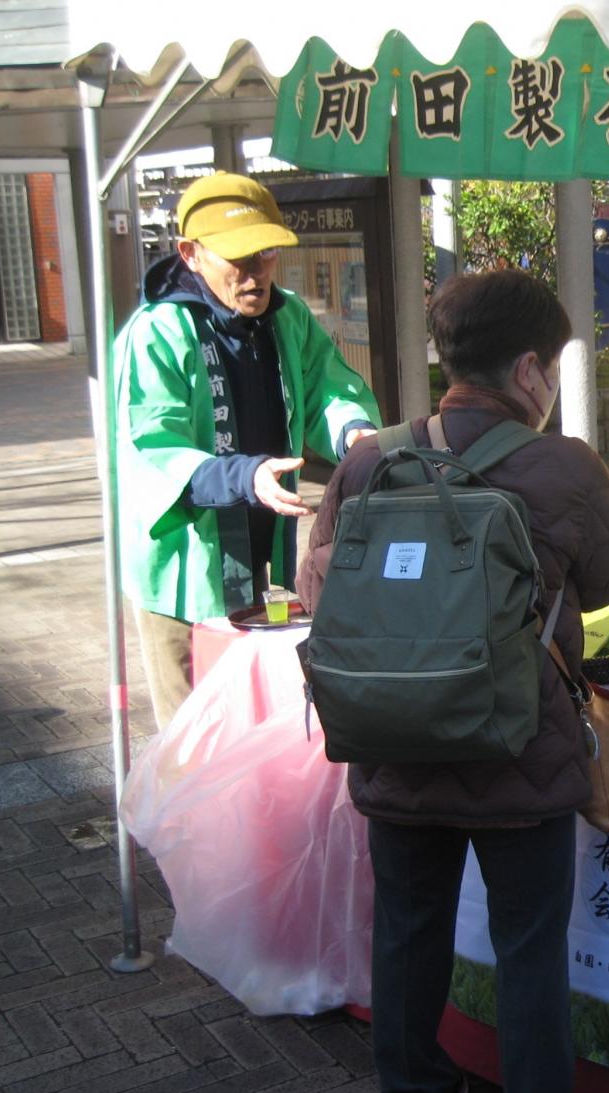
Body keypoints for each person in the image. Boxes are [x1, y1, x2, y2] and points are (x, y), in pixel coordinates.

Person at [299, 270, 609, 1093]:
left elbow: (316, 584)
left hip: (393, 735)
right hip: (518, 748)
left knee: (408, 928)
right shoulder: (566, 465)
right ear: (529, 369)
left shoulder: (371, 456)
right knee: (530, 948)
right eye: (555, 365)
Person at [113, 172, 381, 728]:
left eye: (265, 253)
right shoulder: (156, 332)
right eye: (238, 257)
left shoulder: (286, 316)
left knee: (254, 721)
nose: (256, 270)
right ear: (191, 254)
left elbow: (328, 386)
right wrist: (243, 476)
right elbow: (150, 445)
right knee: (194, 733)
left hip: (264, 556)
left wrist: (352, 431)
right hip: (186, 570)